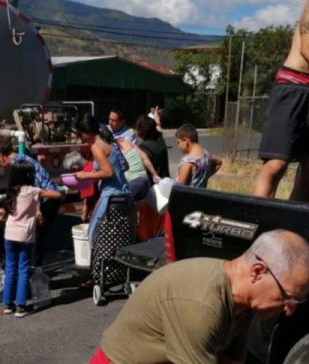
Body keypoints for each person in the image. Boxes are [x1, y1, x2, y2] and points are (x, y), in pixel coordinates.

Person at [91, 229, 309, 364]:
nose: (290, 310)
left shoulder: (245, 302)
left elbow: (231, 361)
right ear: (258, 272)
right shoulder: (202, 303)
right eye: (288, 296)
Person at [253, 1, 309, 202]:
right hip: (294, 86)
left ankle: (294, 225)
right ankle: (258, 221)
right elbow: (306, 49)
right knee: (276, 164)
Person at [74, 115, 134, 288]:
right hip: (123, 196)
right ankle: (113, 274)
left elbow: (108, 173)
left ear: (87, 132)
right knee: (117, 239)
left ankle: (99, 277)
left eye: (81, 134)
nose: (80, 138)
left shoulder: (96, 147)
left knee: (96, 236)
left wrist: (85, 175)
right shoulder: (108, 142)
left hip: (112, 197)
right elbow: (121, 167)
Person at [0, 161, 62, 317]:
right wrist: (41, 191)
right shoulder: (33, 191)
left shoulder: (11, 191)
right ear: (30, 175)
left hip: (10, 234)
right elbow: (57, 194)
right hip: (26, 236)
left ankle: (7, 304)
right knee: (23, 270)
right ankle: (21, 306)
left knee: (10, 269)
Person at [0, 138, 61, 267]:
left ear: (0, 155)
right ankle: (31, 271)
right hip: (48, 198)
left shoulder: (19, 164)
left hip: (47, 200)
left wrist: (37, 210)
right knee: (35, 238)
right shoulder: (22, 159)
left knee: (34, 238)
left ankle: (32, 272)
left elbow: (34, 188)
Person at [135, 113, 171, 241]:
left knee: (146, 230)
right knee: (160, 228)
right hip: (165, 193)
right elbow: (159, 130)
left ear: (141, 131)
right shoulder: (160, 141)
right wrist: (157, 119)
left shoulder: (143, 149)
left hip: (150, 195)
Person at [175, 123, 222, 188]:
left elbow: (178, 188)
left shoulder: (187, 162)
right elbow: (219, 162)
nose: (178, 146)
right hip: (202, 195)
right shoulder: (206, 155)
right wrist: (206, 176)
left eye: (178, 142)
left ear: (185, 141)